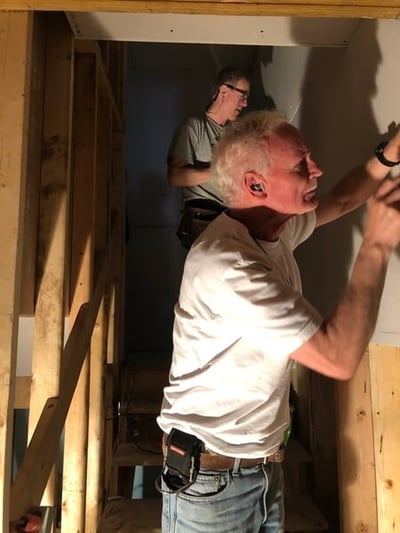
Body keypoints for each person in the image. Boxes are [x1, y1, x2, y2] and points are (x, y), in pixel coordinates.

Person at [156, 109, 400, 532]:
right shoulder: (229, 265)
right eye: (302, 164)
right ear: (256, 184)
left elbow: (341, 199)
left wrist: (387, 157)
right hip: (213, 485)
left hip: (259, 470)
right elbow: (339, 358)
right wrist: (377, 241)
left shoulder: (271, 230)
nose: (317, 169)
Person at [167, 66, 251, 249]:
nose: (244, 103)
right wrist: (219, 172)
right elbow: (175, 176)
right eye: (242, 95)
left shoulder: (232, 133)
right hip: (203, 219)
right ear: (223, 91)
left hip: (228, 217)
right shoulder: (194, 126)